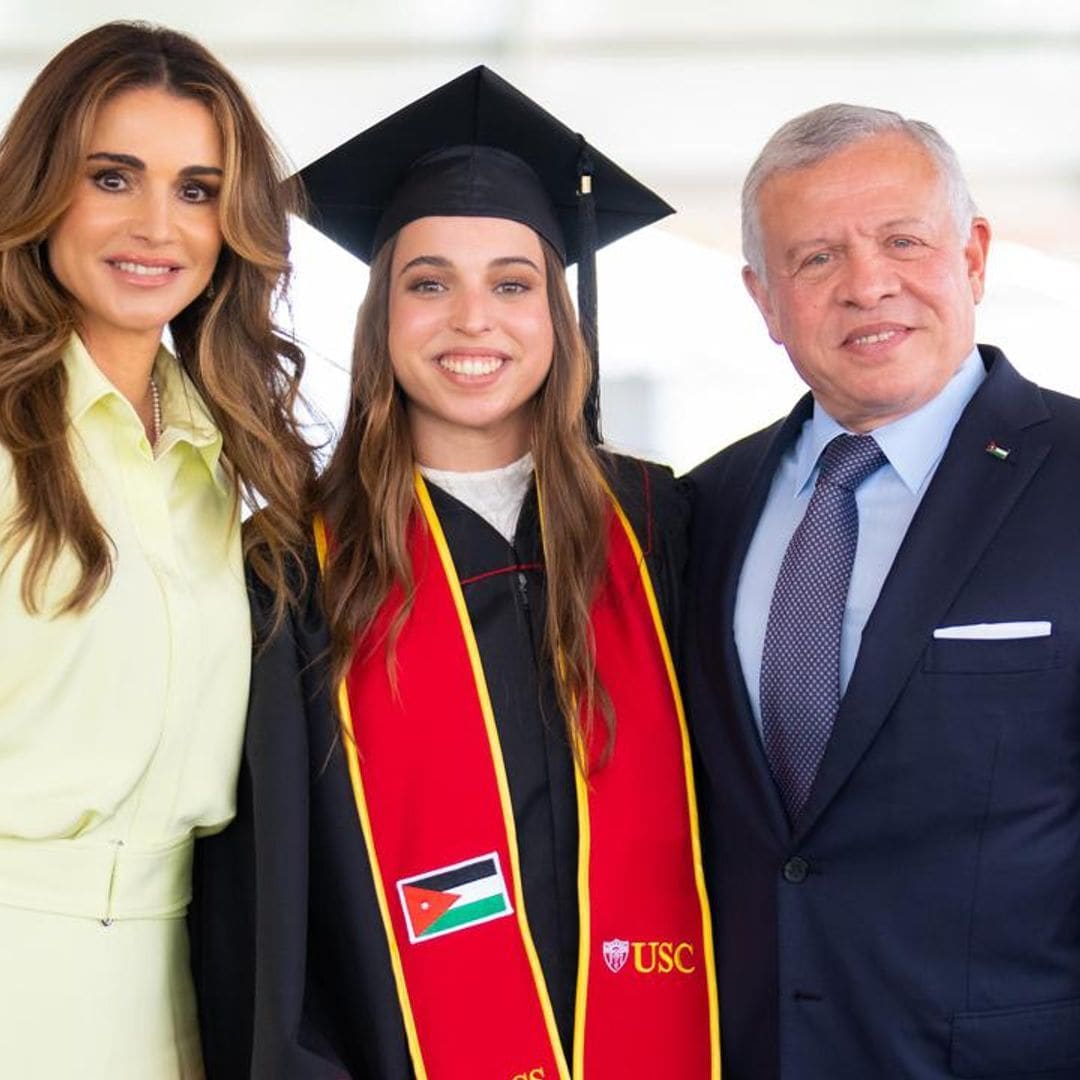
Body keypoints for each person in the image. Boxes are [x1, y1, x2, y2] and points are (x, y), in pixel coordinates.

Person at [193, 66, 719, 1079]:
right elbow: (262, 919)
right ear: (382, 315)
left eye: (513, 283)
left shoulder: (666, 532)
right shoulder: (293, 570)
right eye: (429, 282)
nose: (472, 319)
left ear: (562, 319)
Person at [684, 102, 1080, 1079]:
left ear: (975, 256)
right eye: (816, 258)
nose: (868, 285)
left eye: (903, 240)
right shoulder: (700, 509)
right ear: (762, 297)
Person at [0, 22, 313, 1078]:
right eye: (113, 176)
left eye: (195, 188)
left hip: (180, 993)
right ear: (43, 189)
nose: (156, 225)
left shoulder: (217, 459)